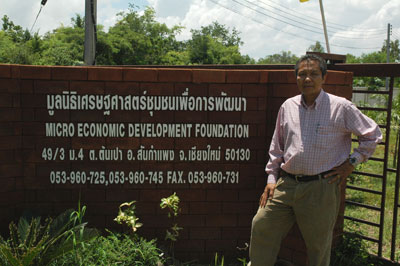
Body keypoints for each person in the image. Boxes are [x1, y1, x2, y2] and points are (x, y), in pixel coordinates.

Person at [248, 54, 382, 266]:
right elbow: (277, 148)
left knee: (318, 246)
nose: (307, 79)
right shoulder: (288, 106)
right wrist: (271, 179)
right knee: (262, 225)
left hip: (321, 187)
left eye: (313, 74)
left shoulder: (341, 107)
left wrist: (352, 162)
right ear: (296, 78)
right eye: (302, 74)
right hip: (286, 185)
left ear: (323, 78)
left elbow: (373, 134)